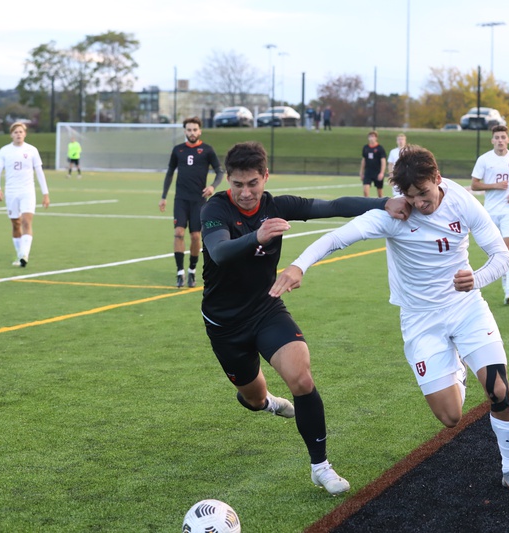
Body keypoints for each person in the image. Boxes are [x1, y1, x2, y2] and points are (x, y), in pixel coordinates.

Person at [271, 144, 509, 498]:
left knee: (499, 390)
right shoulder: (393, 214)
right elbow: (336, 238)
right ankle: (456, 369)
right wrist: (298, 266)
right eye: (410, 196)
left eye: (424, 193)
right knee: (450, 417)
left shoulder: (462, 201)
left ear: (437, 178)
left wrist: (477, 278)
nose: (418, 203)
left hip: (466, 308)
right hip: (420, 320)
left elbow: (501, 255)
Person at [199, 141, 409, 495]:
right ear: (229, 181)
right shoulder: (215, 208)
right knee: (253, 399)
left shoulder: (277, 205)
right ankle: (267, 402)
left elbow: (333, 206)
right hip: (225, 324)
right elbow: (219, 252)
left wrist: (384, 202)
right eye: (237, 184)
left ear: (266, 176)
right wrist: (256, 236)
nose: (246, 192)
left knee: (301, 377)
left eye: (253, 183)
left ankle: (320, 467)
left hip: (266, 308)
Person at [159, 117, 224, 288]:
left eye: (195, 130)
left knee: (196, 236)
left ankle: (192, 270)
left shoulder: (207, 150)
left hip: (199, 200)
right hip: (180, 199)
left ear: (200, 131)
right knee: (178, 233)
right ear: (185, 131)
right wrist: (163, 196)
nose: (192, 133)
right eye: (189, 130)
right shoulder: (178, 150)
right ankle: (180, 272)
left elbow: (219, 172)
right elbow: (169, 173)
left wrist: (212, 186)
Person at [470, 125, 509, 305]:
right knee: (496, 250)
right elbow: (474, 185)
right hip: (490, 211)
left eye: (503, 137)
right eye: (497, 137)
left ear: (508, 139)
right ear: (492, 140)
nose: (500, 140)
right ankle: (501, 278)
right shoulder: (484, 160)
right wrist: (494, 186)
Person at [0, 122, 50, 267]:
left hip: (27, 191)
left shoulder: (32, 150)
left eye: (21, 132)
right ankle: (19, 255)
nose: (18, 134)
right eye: (15, 132)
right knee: (16, 224)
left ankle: (24, 254)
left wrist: (45, 193)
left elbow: (39, 172)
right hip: (11, 192)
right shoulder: (4, 151)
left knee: (26, 221)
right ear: (11, 135)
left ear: (25, 134)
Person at [360, 130, 387, 198]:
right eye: (370, 137)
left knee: (380, 193)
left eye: (373, 136)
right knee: (365, 190)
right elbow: (364, 160)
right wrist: (361, 172)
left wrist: (382, 173)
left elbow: (383, 161)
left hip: (377, 172)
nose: (371, 138)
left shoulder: (380, 148)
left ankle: (381, 203)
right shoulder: (365, 148)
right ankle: (367, 203)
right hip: (368, 172)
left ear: (376, 138)